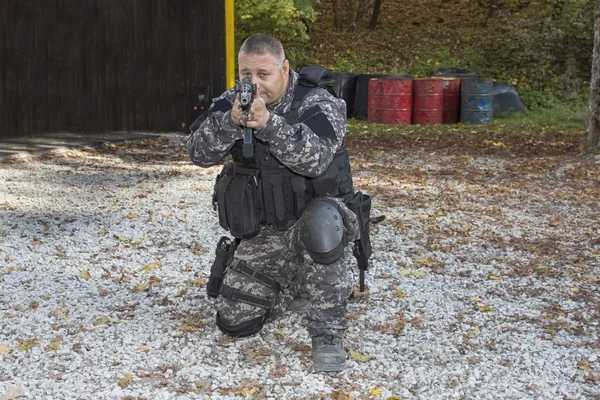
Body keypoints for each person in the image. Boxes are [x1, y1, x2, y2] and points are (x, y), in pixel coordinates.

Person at [187, 33, 360, 373]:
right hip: (265, 231)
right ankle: (295, 281)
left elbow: (315, 159)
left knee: (321, 224)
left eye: (263, 74)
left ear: (284, 69)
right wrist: (229, 123)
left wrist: (269, 125)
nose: (253, 83)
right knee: (235, 323)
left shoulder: (318, 101)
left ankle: (328, 330)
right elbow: (197, 152)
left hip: (317, 221)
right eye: (245, 74)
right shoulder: (233, 102)